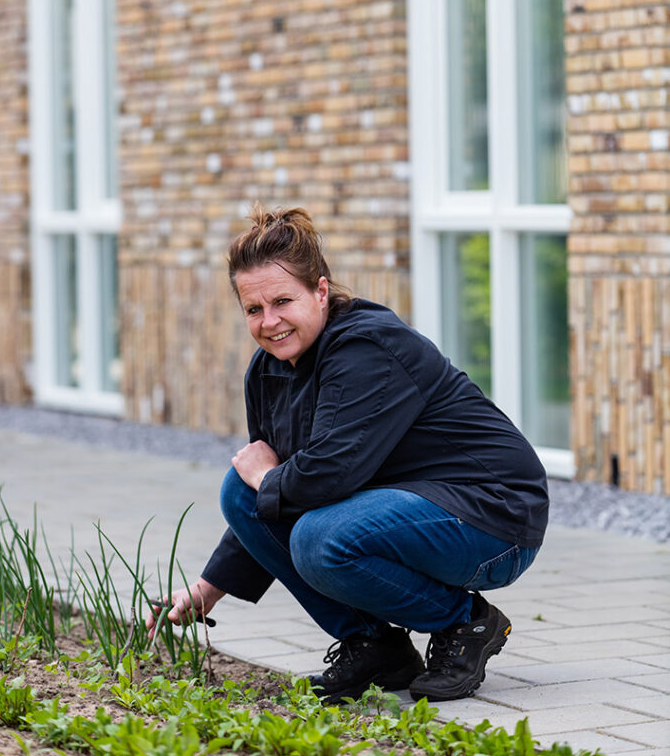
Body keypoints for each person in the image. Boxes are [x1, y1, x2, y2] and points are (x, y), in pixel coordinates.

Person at [148, 205, 549, 702]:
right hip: (411, 507)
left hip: (492, 514)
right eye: (254, 309)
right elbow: (273, 496)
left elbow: (325, 477)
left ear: (320, 291)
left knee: (320, 539)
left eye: (282, 301)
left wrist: (268, 481)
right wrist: (209, 588)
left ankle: (466, 622)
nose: (269, 322)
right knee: (242, 488)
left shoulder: (368, 348)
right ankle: (375, 645)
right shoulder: (270, 369)